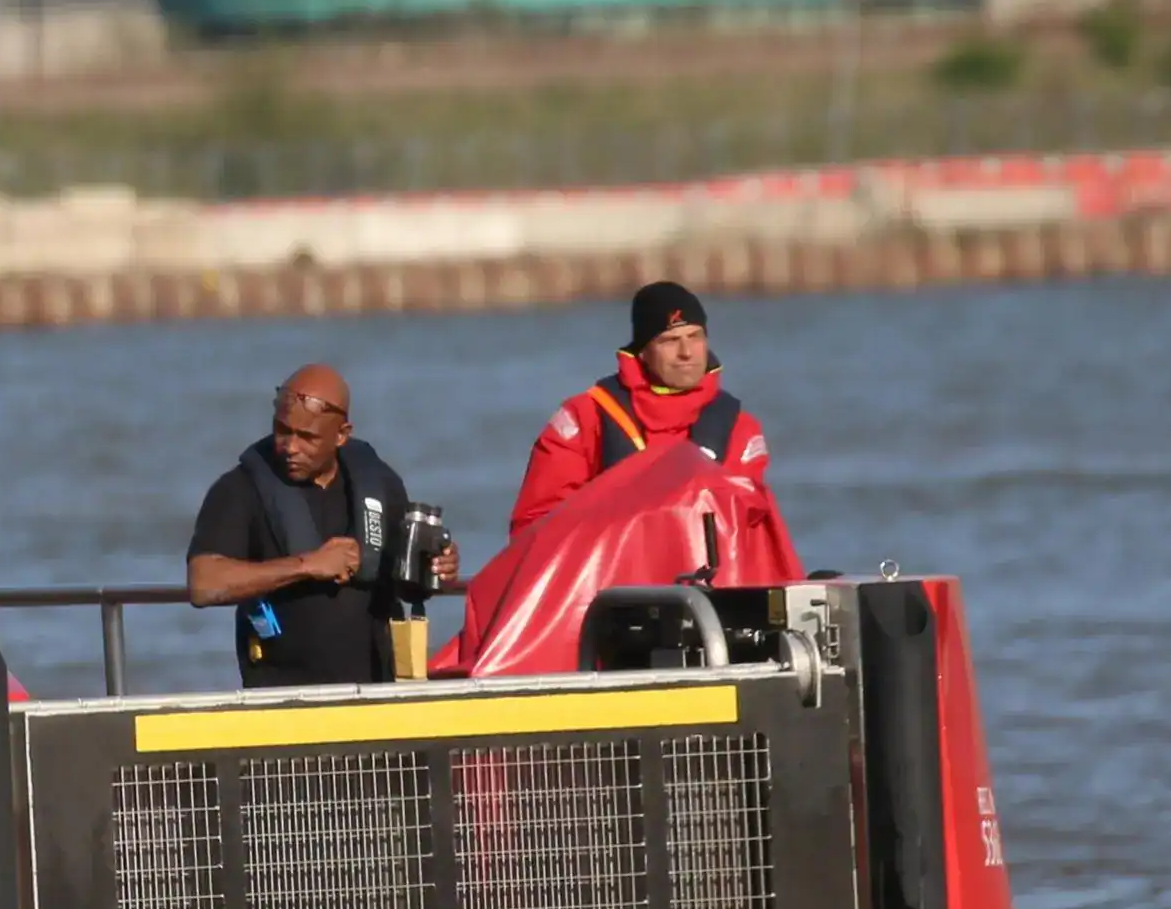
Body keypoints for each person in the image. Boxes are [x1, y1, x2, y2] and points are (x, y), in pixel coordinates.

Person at [184, 361, 455, 691]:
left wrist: (437, 565)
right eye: (282, 430)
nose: (290, 447)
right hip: (282, 698)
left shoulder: (380, 484)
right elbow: (203, 583)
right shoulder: (239, 490)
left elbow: (405, 581)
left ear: (342, 435)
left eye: (307, 437)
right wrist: (306, 566)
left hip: (376, 691)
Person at [510, 280, 778, 541]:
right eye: (669, 341)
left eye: (694, 337)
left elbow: (752, 536)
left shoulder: (740, 428)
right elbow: (534, 529)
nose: (686, 352)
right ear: (642, 353)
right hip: (615, 580)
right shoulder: (585, 418)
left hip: (710, 580)